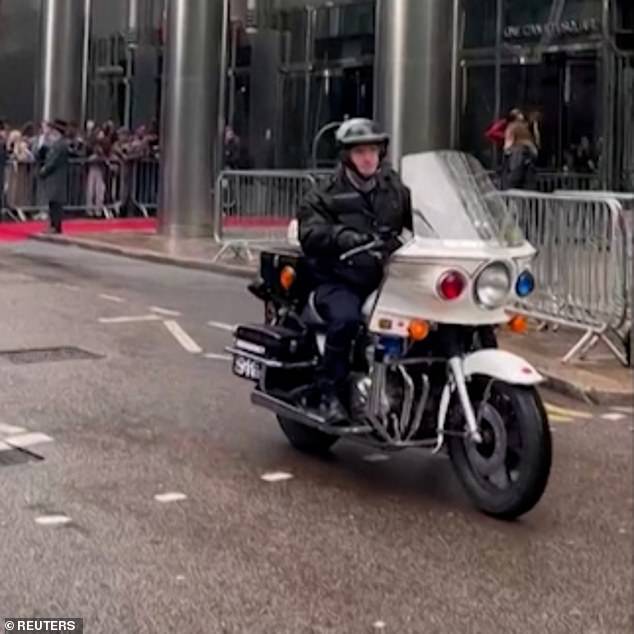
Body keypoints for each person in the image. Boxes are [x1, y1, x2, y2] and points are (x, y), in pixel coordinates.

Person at [297, 118, 413, 422]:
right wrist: (341, 236)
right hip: (339, 278)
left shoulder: (393, 187)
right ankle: (328, 393)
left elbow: (421, 215)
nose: (367, 157)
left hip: (385, 276)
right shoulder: (324, 192)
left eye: (373, 150)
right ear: (347, 155)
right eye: (360, 151)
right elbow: (309, 233)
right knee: (346, 320)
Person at [39, 119, 70, 234]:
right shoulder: (57, 144)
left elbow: (53, 161)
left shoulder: (60, 145)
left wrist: (44, 170)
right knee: (53, 202)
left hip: (56, 177)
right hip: (54, 177)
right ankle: (54, 225)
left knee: (56, 203)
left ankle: (55, 226)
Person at [500, 122, 538, 190]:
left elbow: (514, 177)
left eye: (507, 135)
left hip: (514, 194)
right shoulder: (528, 152)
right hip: (525, 193)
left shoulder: (517, 153)